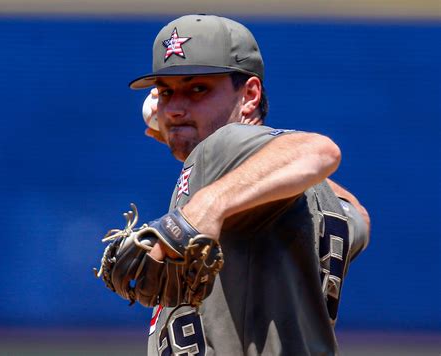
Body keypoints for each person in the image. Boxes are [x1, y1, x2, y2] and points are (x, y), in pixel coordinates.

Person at [127, 14, 370, 355]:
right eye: (167, 92)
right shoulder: (309, 198)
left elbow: (320, 151)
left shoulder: (221, 147)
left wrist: (208, 202)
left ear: (251, 94)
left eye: (198, 89)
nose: (176, 108)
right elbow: (357, 214)